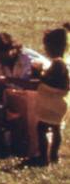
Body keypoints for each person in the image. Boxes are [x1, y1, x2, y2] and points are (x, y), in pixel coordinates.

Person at [33, 27, 68, 166]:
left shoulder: (58, 63)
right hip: (61, 102)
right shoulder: (64, 62)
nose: (45, 50)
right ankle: (54, 155)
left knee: (41, 128)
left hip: (52, 102)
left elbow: (53, 80)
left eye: (47, 47)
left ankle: (44, 156)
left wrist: (39, 74)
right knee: (56, 128)